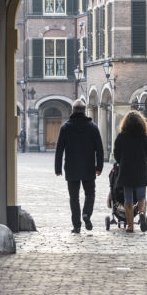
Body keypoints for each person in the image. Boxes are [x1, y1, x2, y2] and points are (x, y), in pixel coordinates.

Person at [55, 100, 104, 233]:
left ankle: (76, 225)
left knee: (74, 197)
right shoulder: (93, 127)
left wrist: (58, 168)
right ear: (84, 111)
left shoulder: (65, 127)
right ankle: (86, 214)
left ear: (72, 111)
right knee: (90, 194)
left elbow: (59, 149)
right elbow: (100, 149)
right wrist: (99, 166)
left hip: (71, 167)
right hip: (88, 167)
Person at [113, 110, 147, 233]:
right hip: (141, 169)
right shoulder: (143, 137)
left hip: (126, 170)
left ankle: (130, 226)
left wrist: (121, 161)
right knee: (141, 197)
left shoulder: (121, 137)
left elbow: (116, 155)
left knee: (128, 199)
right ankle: (142, 213)